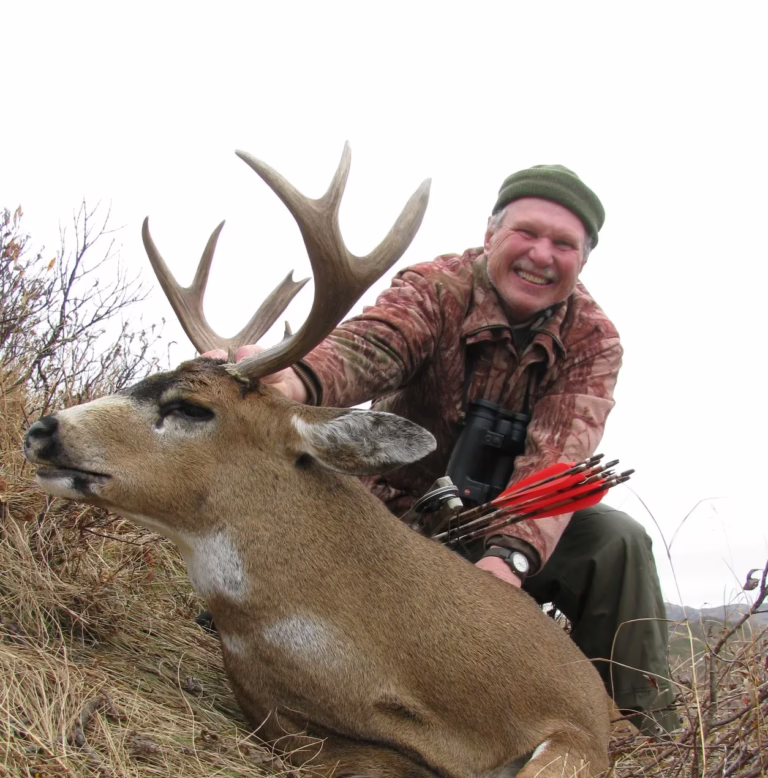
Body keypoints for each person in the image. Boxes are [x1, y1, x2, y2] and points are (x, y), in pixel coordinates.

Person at [208, 164, 679, 737]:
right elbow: (373, 345)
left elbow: (561, 457)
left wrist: (510, 559)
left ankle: (645, 728)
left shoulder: (593, 339)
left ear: (583, 260)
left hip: (512, 524)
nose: (542, 254)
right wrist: (294, 379)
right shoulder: (437, 289)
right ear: (490, 233)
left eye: (564, 244)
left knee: (616, 539)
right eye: (527, 232)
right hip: (398, 514)